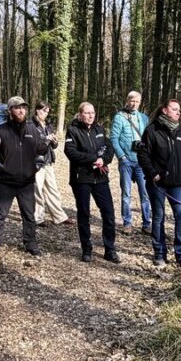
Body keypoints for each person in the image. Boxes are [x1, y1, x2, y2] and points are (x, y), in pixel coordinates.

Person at [0, 96, 49, 258]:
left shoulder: (33, 130)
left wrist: (46, 145)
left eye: (23, 107)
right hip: (5, 181)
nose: (21, 110)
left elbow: (42, 149)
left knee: (29, 215)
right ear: (10, 110)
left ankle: (30, 243)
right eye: (17, 108)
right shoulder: (0, 130)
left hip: (26, 181)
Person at [136, 98, 181, 268]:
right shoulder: (152, 131)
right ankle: (159, 253)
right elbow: (143, 155)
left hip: (177, 183)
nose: (178, 112)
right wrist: (153, 174)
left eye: (179, 110)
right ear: (165, 111)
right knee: (158, 217)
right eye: (174, 109)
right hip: (158, 183)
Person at [65, 102, 120, 263]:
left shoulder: (100, 129)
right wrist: (92, 159)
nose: (90, 116)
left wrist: (103, 160)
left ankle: (110, 249)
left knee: (108, 213)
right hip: (81, 178)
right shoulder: (73, 130)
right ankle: (86, 249)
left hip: (100, 177)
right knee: (84, 213)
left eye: (93, 113)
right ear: (80, 114)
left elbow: (109, 148)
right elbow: (70, 152)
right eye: (87, 113)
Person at [110, 90, 151, 234]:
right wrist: (122, 157)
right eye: (132, 101)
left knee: (145, 193)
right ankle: (127, 223)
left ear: (140, 103)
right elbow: (114, 139)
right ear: (127, 101)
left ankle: (147, 223)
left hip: (141, 162)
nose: (134, 104)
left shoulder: (144, 118)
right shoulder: (119, 118)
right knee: (126, 193)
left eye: (137, 101)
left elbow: (148, 139)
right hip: (126, 161)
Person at [32, 100, 72, 226]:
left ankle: (59, 216)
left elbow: (54, 146)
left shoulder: (48, 125)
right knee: (37, 190)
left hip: (48, 160)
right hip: (36, 161)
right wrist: (45, 139)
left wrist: (54, 141)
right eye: (44, 110)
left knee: (52, 189)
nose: (46, 113)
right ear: (37, 110)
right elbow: (32, 143)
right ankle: (38, 218)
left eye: (47, 111)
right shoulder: (30, 125)